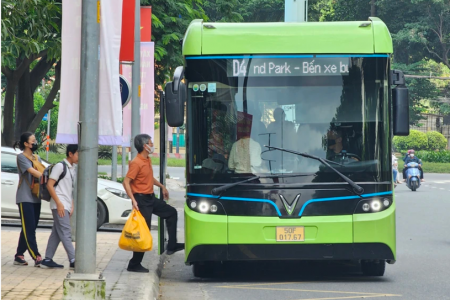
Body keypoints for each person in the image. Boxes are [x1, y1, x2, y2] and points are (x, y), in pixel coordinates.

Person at [123, 134, 184, 273]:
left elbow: (149, 178)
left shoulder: (147, 160)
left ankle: (172, 245)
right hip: (141, 200)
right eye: (151, 143)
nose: (152, 145)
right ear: (145, 146)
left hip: (150, 198)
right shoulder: (136, 162)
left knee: (171, 212)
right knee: (144, 231)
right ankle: (134, 264)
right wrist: (133, 200)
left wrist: (162, 187)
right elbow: (126, 182)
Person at [41, 145, 78, 269]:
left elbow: (70, 189)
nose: (80, 157)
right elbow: (50, 185)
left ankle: (47, 259)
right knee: (66, 232)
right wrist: (59, 203)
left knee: (56, 233)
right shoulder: (60, 166)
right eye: (78, 154)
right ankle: (73, 259)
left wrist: (71, 205)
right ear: (70, 154)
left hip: (65, 204)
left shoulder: (72, 168)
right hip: (59, 204)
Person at [13, 132, 45, 267]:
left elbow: (43, 170)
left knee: (29, 227)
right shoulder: (21, 157)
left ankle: (19, 255)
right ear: (26, 144)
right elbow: (33, 171)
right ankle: (36, 256)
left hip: (36, 197)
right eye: (33, 141)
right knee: (29, 228)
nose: (35, 143)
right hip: (25, 197)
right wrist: (47, 178)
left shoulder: (37, 157)